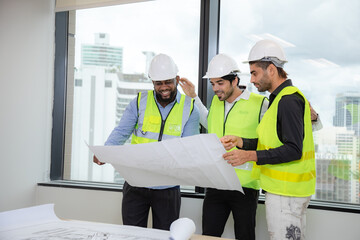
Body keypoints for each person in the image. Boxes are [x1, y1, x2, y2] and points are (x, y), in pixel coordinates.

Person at [221, 39, 316, 240]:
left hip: (287, 194)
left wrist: (249, 155)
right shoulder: (279, 100)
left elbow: (293, 149)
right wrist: (242, 142)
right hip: (284, 193)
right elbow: (273, 142)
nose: (252, 80)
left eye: (255, 73)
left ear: (271, 69)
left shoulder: (288, 100)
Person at [93, 53, 200, 230]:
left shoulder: (190, 109)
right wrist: (104, 152)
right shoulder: (139, 102)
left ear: (177, 79)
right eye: (159, 83)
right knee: (132, 235)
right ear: (152, 82)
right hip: (136, 183)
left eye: (168, 82)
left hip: (168, 187)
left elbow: (189, 148)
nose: (164, 87)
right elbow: (121, 131)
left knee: (165, 236)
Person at [180, 53, 269, 240]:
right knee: (209, 235)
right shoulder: (216, 102)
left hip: (245, 186)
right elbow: (208, 121)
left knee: (245, 236)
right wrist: (194, 97)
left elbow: (270, 141)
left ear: (234, 80)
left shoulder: (260, 104)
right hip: (216, 182)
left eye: (220, 83)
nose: (215, 89)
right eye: (212, 84)